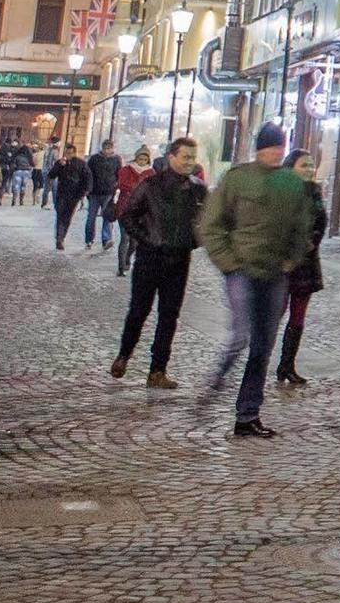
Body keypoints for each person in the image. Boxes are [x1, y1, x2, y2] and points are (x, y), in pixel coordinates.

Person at [199, 120, 314, 439]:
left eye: (280, 147)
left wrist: (293, 257)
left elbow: (303, 225)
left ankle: (247, 414)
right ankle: (217, 380)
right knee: (241, 335)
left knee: (263, 346)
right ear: (259, 149)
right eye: (271, 147)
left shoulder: (291, 184)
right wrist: (228, 263)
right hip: (242, 271)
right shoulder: (237, 179)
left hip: (275, 273)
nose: (276, 152)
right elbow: (210, 225)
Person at [111, 136, 206, 390]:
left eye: (193, 158)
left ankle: (158, 370)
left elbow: (206, 220)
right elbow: (127, 215)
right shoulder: (151, 185)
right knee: (139, 310)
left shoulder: (197, 188)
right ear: (171, 157)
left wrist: (194, 241)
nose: (190, 162)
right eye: (185, 157)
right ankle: (124, 355)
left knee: (169, 316)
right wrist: (147, 240)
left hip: (179, 259)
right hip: (150, 258)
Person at [275, 148, 328, 387]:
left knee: (298, 316)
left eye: (310, 165)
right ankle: (260, 360)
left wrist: (311, 242)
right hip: (282, 261)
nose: (308, 169)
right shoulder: (281, 192)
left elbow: (321, 222)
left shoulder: (315, 192)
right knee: (275, 313)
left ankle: (287, 365)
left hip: (306, 261)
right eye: (303, 165)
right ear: (290, 168)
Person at [113, 145, 154, 276]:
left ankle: (127, 258)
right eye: (140, 158)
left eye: (144, 159)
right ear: (136, 158)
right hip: (124, 209)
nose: (142, 161)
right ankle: (120, 267)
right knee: (124, 238)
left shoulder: (151, 173)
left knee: (135, 242)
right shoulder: (126, 170)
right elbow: (121, 184)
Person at [51, 143, 91, 251]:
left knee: (67, 217)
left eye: (70, 153)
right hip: (61, 193)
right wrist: (59, 166)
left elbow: (87, 179)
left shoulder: (81, 164)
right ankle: (59, 238)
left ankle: (62, 236)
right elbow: (51, 175)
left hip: (74, 195)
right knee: (60, 215)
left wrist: (83, 193)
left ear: (74, 153)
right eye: (66, 153)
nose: (67, 155)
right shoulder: (60, 163)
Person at [85, 139, 122, 251]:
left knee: (107, 217)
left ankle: (106, 240)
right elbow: (88, 174)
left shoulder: (117, 159)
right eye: (105, 148)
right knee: (91, 218)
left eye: (109, 148)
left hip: (108, 193)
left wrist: (116, 188)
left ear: (112, 148)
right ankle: (89, 239)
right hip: (94, 192)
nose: (106, 150)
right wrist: (87, 188)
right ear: (102, 148)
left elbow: (119, 175)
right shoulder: (94, 159)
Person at [9, 141, 36, 206]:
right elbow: (32, 164)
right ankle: (21, 201)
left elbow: (13, 164)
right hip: (26, 172)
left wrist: (13, 170)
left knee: (16, 186)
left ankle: (14, 200)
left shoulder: (17, 156)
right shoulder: (29, 157)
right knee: (23, 187)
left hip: (17, 171)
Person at [40, 136, 61, 208]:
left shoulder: (47, 149)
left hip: (45, 171)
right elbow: (52, 162)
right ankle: (56, 204)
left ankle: (44, 203)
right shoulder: (55, 151)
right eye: (59, 142)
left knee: (46, 188)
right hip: (51, 172)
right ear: (57, 142)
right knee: (54, 188)